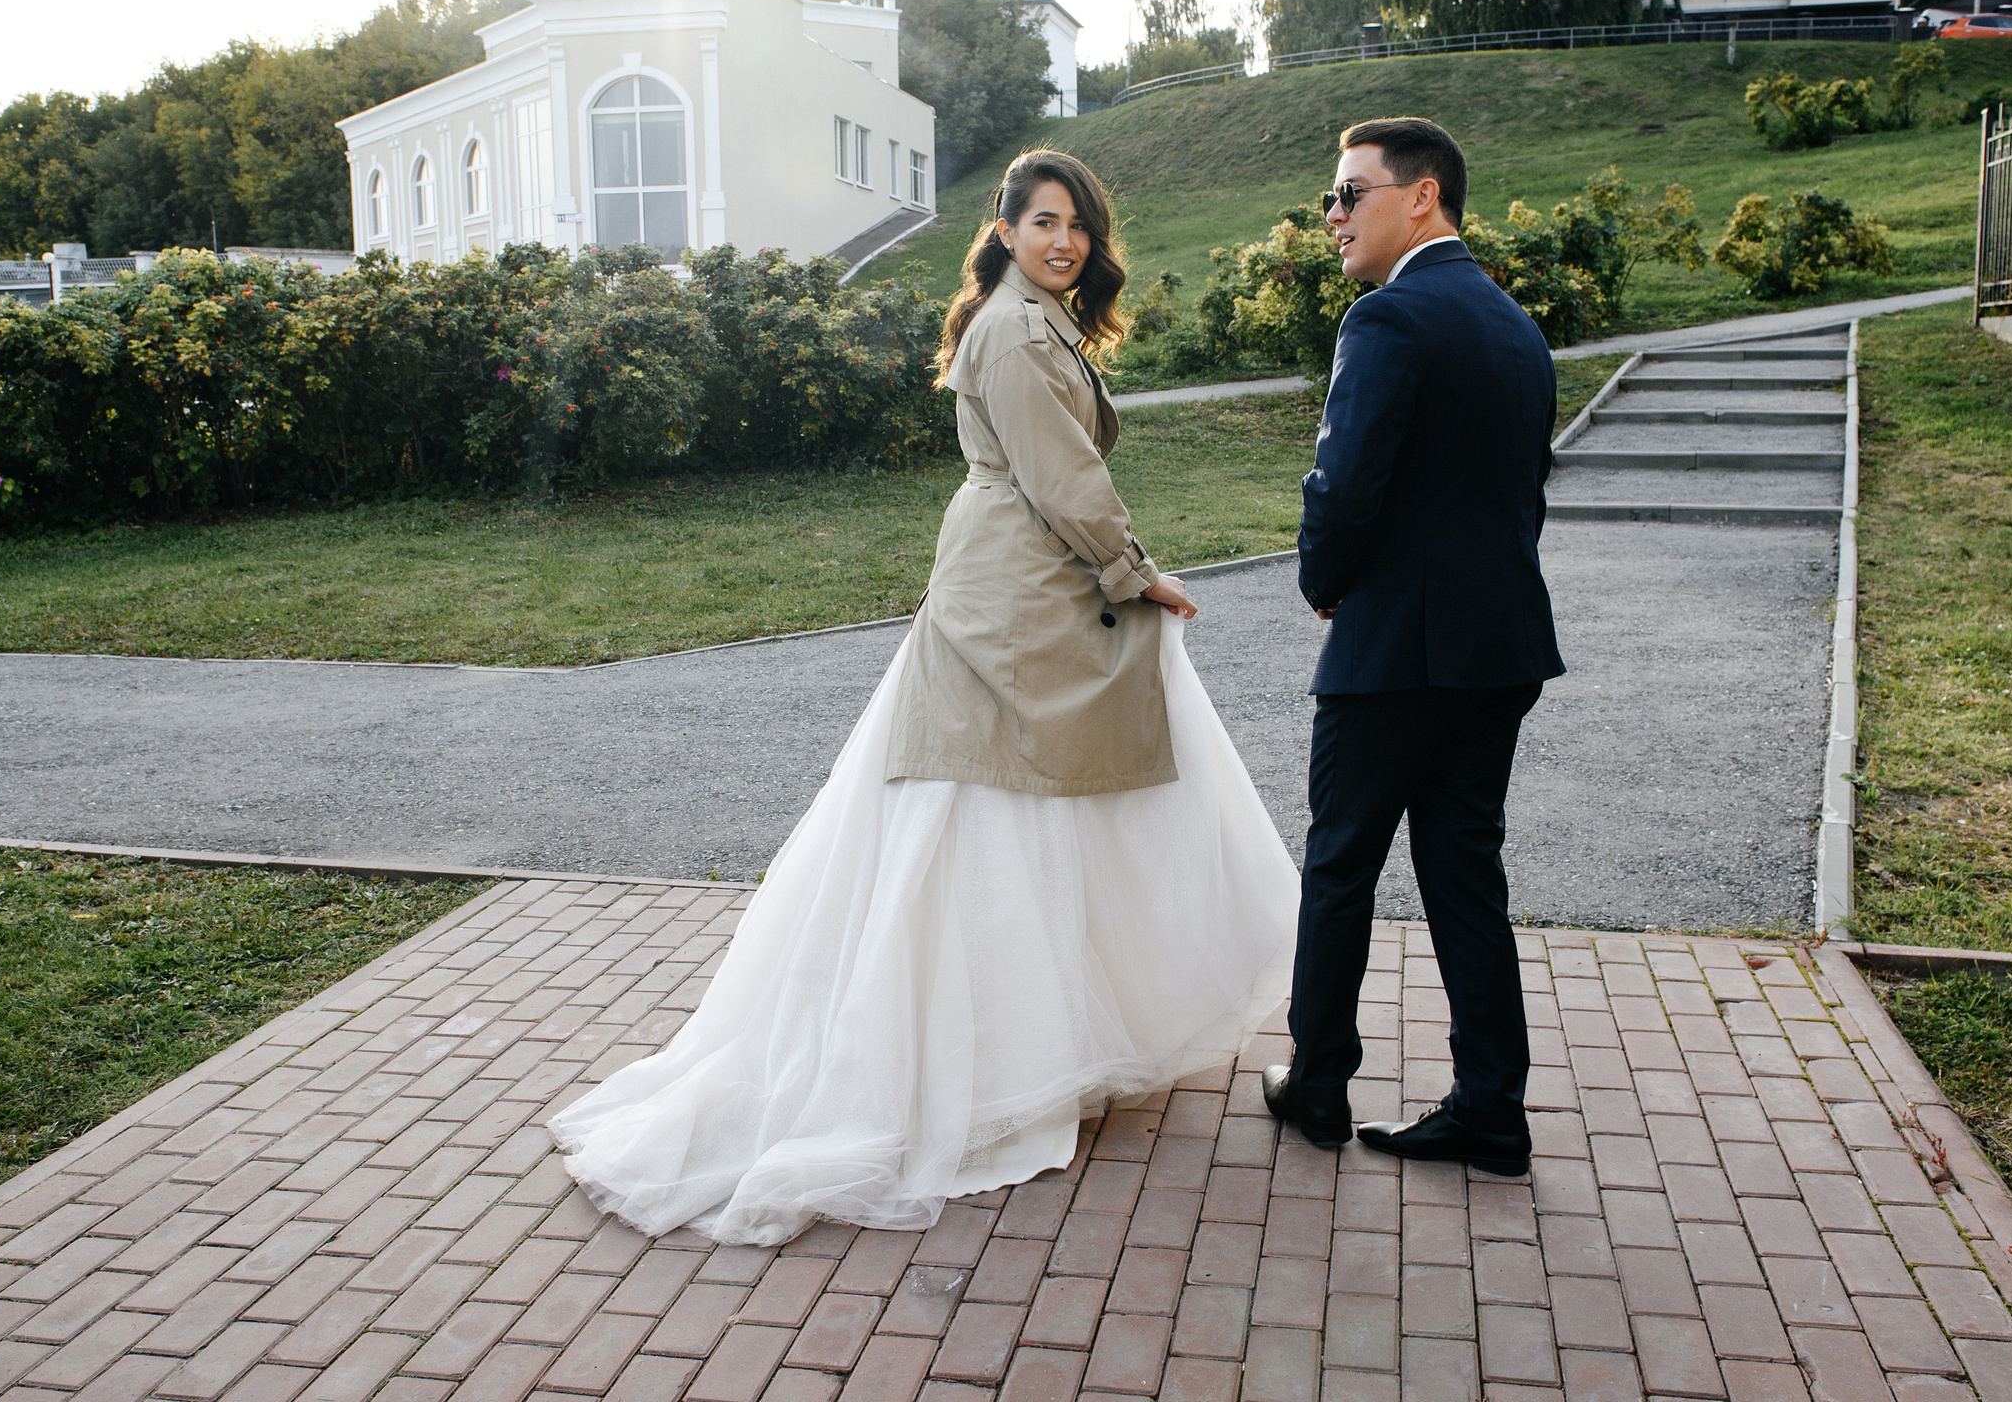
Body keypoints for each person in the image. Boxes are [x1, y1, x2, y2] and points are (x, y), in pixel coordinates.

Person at [551, 149, 1300, 1245]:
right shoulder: (1012, 327)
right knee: (982, 811)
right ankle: (976, 1066)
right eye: (1044, 222)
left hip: (1020, 586)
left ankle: (1024, 1051)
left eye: (1078, 226)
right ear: (1003, 229)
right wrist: (1135, 572)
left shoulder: (1028, 321)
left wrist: (1122, 569)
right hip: (1017, 595)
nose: (1064, 241)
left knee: (1015, 812)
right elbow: (1063, 480)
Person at [1261, 116, 1565, 1177]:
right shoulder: (1516, 327)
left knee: (1340, 865)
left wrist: (1324, 584)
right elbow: (1519, 498)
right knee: (1464, 876)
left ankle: (1318, 1085)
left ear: (1421, 196)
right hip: (1500, 644)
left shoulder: (1387, 320)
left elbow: (1345, 484)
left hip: (1393, 647)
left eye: (1350, 194)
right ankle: (1492, 1107)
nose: (1332, 217)